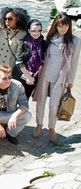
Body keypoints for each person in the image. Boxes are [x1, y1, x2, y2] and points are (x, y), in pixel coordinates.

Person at [33, 13, 80, 141]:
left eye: (65, 26)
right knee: (41, 101)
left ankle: (52, 128)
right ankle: (39, 124)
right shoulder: (50, 38)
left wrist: (70, 80)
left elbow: (74, 63)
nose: (63, 28)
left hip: (60, 77)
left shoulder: (74, 41)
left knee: (54, 104)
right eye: (60, 26)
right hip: (45, 75)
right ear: (56, 26)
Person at [0, 64, 32, 144]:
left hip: (9, 114)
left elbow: (24, 104)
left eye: (9, 77)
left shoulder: (18, 86)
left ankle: (10, 133)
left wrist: (14, 116)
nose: (7, 80)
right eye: (4, 78)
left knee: (27, 115)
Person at [0, 7, 30, 82]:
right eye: (5, 18)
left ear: (18, 19)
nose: (7, 21)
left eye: (10, 19)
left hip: (9, 65)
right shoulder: (1, 28)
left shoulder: (23, 33)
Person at [13, 19, 47, 99]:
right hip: (19, 75)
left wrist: (33, 77)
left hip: (33, 78)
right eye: (33, 31)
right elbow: (19, 61)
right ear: (28, 30)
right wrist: (28, 76)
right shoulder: (22, 42)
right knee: (14, 99)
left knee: (25, 100)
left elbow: (42, 62)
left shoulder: (43, 43)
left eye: (39, 30)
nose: (36, 33)